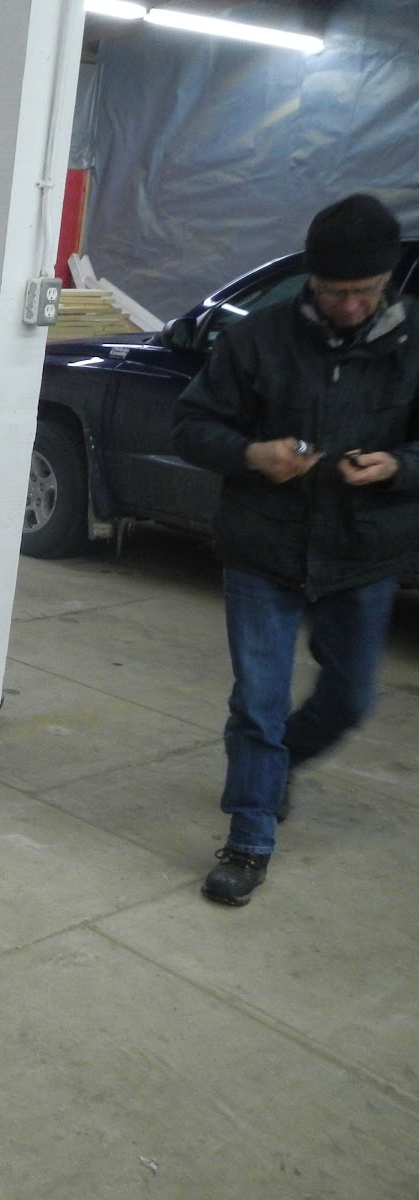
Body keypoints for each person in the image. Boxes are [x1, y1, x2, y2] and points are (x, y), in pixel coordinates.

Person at [172, 192, 419, 907]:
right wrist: (254, 453)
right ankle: (248, 840)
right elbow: (192, 426)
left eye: (365, 292)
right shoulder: (259, 337)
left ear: (387, 282)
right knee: (259, 701)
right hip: (265, 547)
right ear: (312, 280)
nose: (350, 305)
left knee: (348, 700)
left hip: (363, 552)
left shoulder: (413, 344)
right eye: (336, 291)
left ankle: (272, 774)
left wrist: (399, 468)